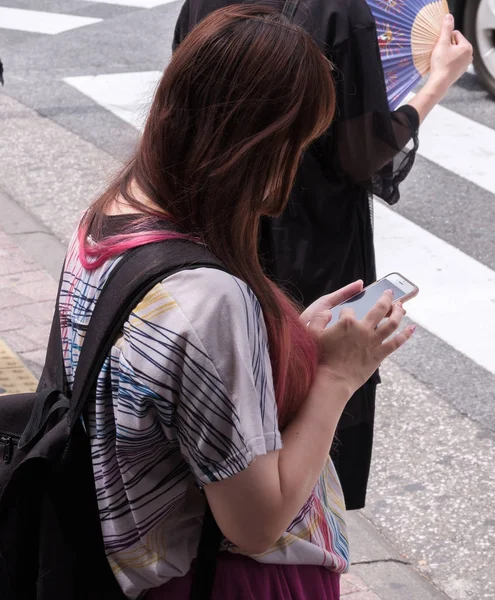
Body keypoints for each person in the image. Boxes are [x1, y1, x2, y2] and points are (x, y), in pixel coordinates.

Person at [60, 6, 414, 599]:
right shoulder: (213, 299)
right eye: (294, 147)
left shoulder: (110, 219)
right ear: (254, 147)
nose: (293, 171)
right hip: (221, 581)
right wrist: (336, 375)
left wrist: (280, 345)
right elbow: (254, 524)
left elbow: (172, 390)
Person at [173, 0, 473, 509]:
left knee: (229, 407)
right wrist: (438, 81)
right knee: (310, 418)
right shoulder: (337, 11)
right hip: (311, 241)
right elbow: (361, 153)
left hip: (215, 229)